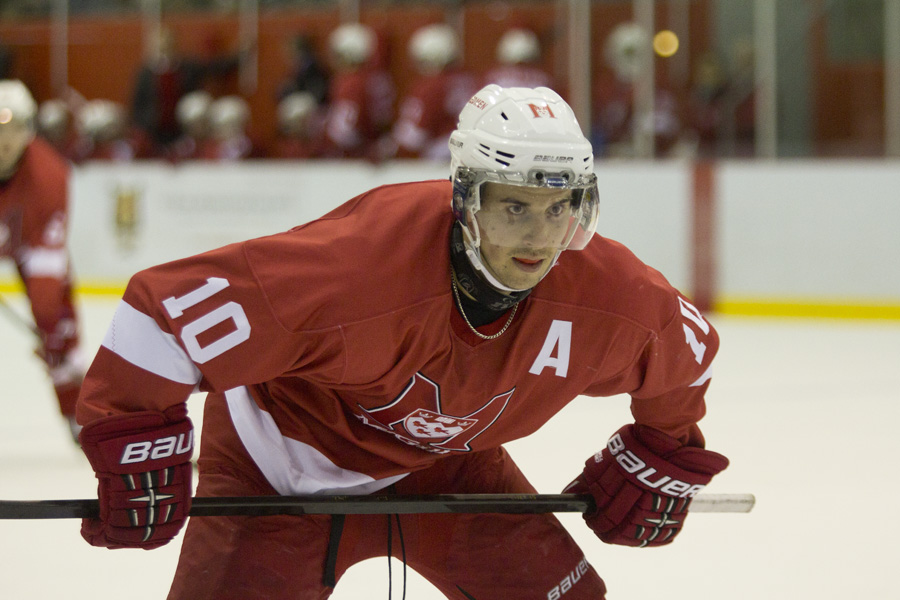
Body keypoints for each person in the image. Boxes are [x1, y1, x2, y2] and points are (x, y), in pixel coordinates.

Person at [75, 85, 729, 599]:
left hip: (443, 462)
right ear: (466, 198)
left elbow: (688, 350)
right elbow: (163, 313)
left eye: (558, 207)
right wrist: (135, 437)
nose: (540, 238)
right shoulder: (358, 269)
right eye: (515, 207)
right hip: (272, 467)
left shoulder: (601, 291)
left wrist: (662, 450)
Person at [0, 79, 86, 442]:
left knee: (57, 326)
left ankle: (77, 411)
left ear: (29, 130)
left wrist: (50, 324)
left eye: (12, 127)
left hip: (27, 245)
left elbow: (47, 270)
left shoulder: (51, 177)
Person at [390, 23, 477, 160]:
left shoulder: (431, 86)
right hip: (471, 154)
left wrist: (388, 149)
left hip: (438, 157)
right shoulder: (468, 79)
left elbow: (413, 137)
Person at [320, 22, 395, 160]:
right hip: (373, 148)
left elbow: (343, 133)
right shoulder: (377, 79)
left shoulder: (351, 82)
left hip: (354, 158)